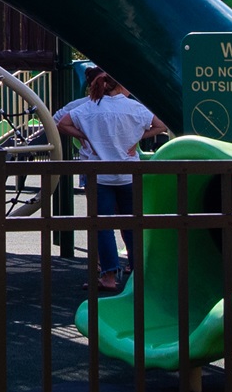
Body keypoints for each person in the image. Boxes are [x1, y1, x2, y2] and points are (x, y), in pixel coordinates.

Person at [53, 70, 168, 292]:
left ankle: (108, 275)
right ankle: (138, 271)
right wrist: (136, 139)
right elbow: (160, 125)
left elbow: (62, 123)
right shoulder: (134, 107)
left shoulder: (88, 108)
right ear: (121, 86)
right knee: (133, 223)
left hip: (100, 173)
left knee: (102, 226)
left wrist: (86, 136)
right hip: (128, 172)